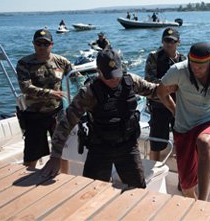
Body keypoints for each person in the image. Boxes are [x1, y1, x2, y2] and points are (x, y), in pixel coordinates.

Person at [36, 48, 158, 188]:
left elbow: (155, 90)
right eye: (109, 76)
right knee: (91, 190)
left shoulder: (131, 81)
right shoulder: (89, 92)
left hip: (128, 147)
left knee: (138, 189)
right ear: (98, 71)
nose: (114, 79)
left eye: (116, 74)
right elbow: (66, 122)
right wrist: (55, 156)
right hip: (100, 148)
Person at [156, 42, 210, 200]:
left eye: (201, 67)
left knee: (204, 141)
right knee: (186, 187)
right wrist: (175, 110)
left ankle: (203, 203)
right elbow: (161, 92)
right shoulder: (178, 71)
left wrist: (206, 109)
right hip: (183, 128)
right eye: (193, 66)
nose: (196, 70)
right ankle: (194, 204)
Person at [15, 29, 74, 172]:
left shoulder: (61, 61)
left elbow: (76, 77)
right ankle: (27, 177)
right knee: (31, 154)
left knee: (62, 151)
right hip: (35, 114)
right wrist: (51, 93)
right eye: (38, 43)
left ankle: (64, 179)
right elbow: (26, 88)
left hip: (57, 113)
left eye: (45, 44)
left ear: (51, 44)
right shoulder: (24, 63)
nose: (42, 47)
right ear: (33, 44)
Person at [144, 28, 186, 161]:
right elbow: (148, 80)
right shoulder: (154, 57)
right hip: (159, 105)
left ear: (178, 42)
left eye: (172, 41)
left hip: (178, 106)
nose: (169, 44)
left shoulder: (183, 59)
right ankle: (153, 170)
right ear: (162, 41)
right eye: (166, 41)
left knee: (181, 139)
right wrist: (168, 86)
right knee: (156, 144)